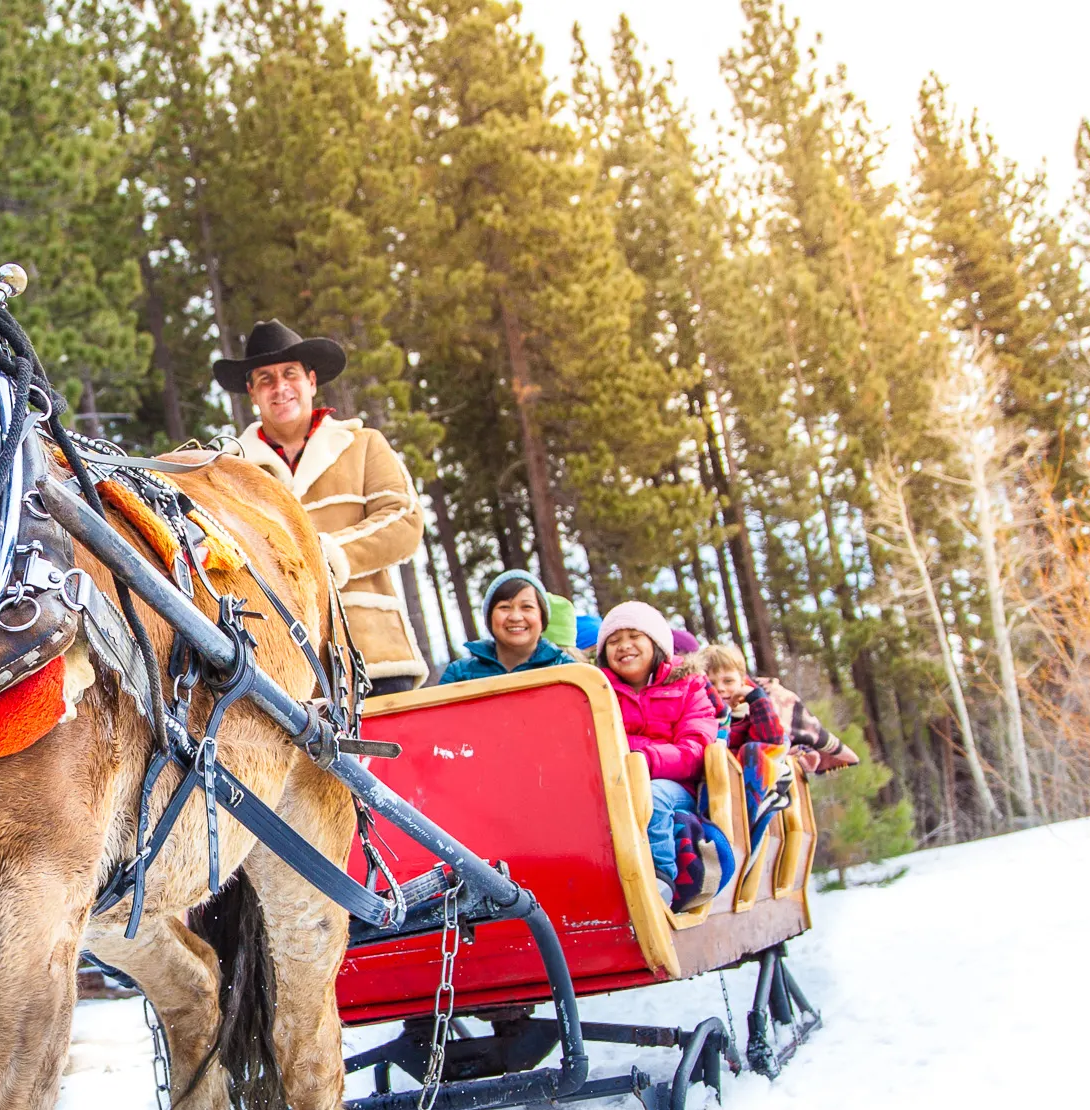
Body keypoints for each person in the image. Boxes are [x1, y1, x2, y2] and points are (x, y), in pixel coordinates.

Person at [218, 320, 429, 692]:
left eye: (290, 375)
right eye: (265, 379)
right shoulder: (228, 468)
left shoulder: (363, 445)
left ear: (311, 382)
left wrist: (324, 557)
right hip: (280, 673)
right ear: (252, 392)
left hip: (374, 654)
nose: (279, 388)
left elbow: (405, 523)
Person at [598, 601, 718, 901]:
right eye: (614, 641)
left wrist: (642, 759)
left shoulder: (688, 686)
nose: (624, 646)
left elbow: (694, 750)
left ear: (656, 642)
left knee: (653, 796)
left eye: (634, 636)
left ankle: (660, 880)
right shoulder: (599, 692)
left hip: (674, 784)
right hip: (615, 782)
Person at [698, 642, 861, 772]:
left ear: (742, 681)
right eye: (712, 683)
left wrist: (756, 699)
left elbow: (771, 740)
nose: (720, 688)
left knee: (764, 747)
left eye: (728, 681)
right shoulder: (702, 716)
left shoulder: (749, 713)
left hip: (751, 779)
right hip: (717, 778)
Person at [438, 570, 572, 683]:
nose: (515, 617)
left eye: (527, 607)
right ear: (489, 618)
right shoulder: (459, 674)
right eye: (504, 607)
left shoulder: (569, 670)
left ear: (542, 617)